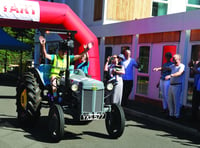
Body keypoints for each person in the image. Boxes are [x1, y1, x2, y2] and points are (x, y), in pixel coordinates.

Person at [153, 54, 185, 119]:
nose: (173, 60)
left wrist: (171, 75)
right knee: (170, 100)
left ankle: (177, 115)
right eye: (173, 59)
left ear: (179, 59)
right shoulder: (172, 66)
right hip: (171, 85)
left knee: (176, 101)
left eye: (174, 59)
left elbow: (180, 73)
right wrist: (157, 69)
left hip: (177, 85)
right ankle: (171, 114)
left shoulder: (182, 66)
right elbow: (165, 68)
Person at [188, 49, 200, 121]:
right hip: (196, 85)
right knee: (194, 102)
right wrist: (192, 66)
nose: (199, 54)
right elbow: (193, 73)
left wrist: (192, 66)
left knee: (197, 102)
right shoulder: (197, 63)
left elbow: (197, 71)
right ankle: (193, 117)